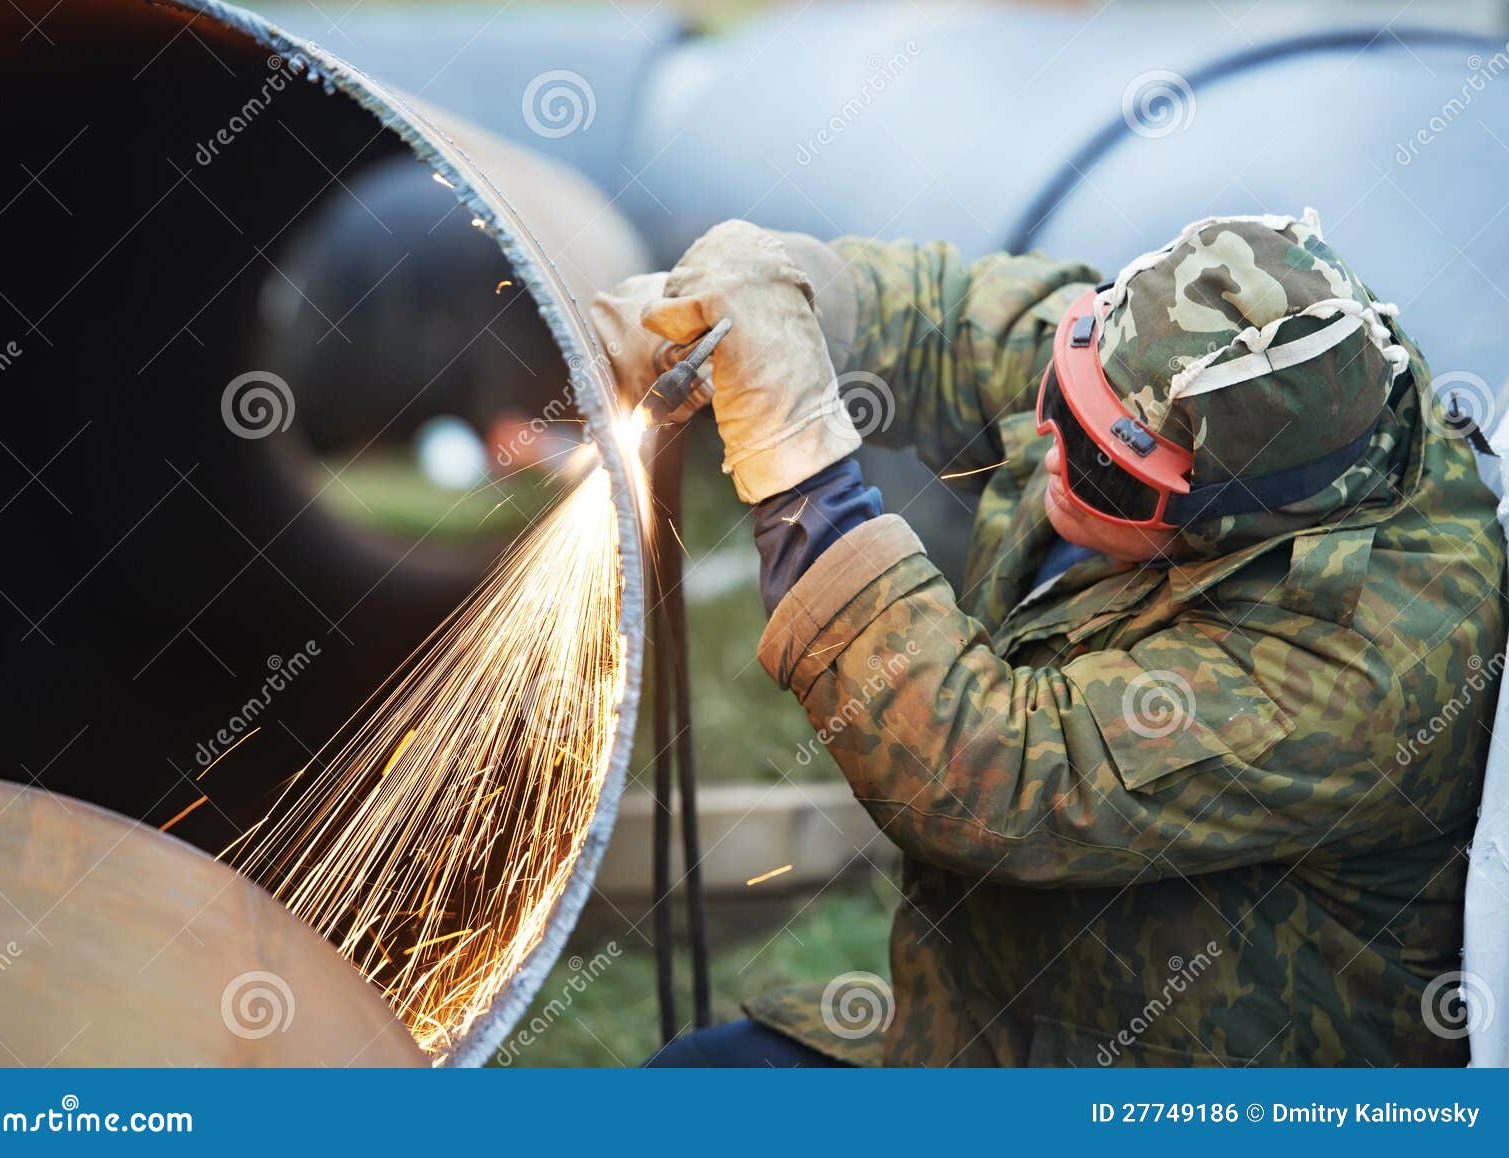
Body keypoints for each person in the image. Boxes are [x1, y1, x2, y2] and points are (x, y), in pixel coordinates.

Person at [592, 211, 1506, 1066]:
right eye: (1064, 407)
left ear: (1226, 519)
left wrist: (803, 482)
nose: (1054, 463)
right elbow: (963, 322)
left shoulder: (1362, 662)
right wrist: (787, 296)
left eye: (1109, 475)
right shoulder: (1206, 363)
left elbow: (988, 775)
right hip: (1000, 1030)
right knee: (691, 1082)